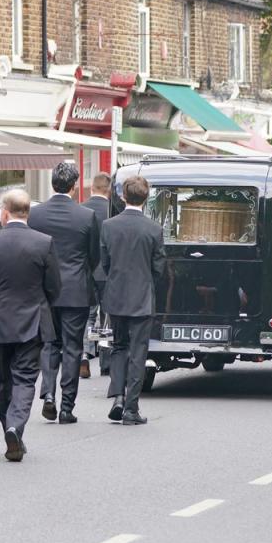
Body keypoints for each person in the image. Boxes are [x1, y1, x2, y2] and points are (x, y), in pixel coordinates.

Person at [0, 189, 61, 461]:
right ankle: (15, 427)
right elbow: (54, 286)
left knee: (5, 380)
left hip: (0, 320)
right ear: (28, 212)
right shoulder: (43, 242)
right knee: (25, 379)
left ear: (4, 212)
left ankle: (9, 429)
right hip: (32, 320)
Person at [28, 162, 99, 424]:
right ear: (74, 185)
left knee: (49, 344)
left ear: (52, 183)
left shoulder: (35, 215)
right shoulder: (86, 216)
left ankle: (48, 394)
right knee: (72, 348)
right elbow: (94, 257)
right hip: (75, 289)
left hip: (45, 290)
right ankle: (67, 407)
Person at [101, 175, 164, 425]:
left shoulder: (108, 226)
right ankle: (131, 407)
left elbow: (104, 263)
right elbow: (158, 267)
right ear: (146, 198)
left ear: (123, 196)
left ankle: (117, 396)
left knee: (118, 347)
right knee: (138, 352)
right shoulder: (154, 229)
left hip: (116, 294)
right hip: (142, 296)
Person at [82, 172, 111, 377]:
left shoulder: (80, 210)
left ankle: (84, 353)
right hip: (107, 271)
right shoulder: (113, 211)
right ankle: (106, 361)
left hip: (86, 271)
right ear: (109, 190)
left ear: (92, 188)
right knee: (107, 316)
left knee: (89, 315)